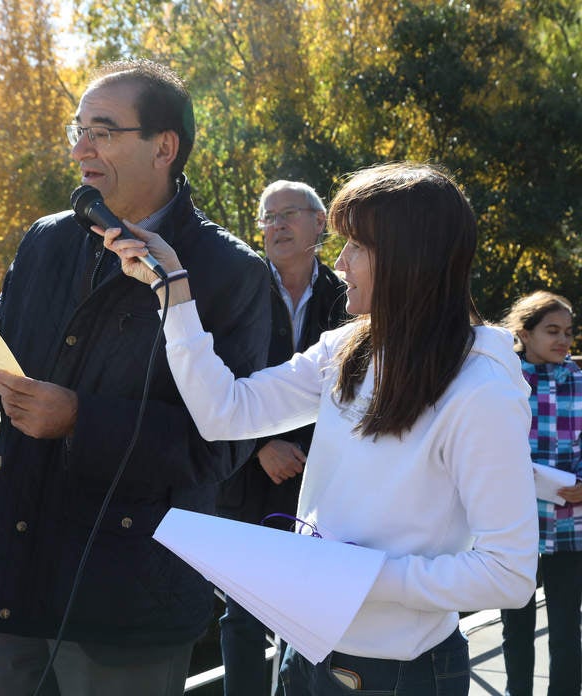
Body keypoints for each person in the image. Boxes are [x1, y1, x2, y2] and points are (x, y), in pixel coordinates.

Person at [0, 59, 271, 696]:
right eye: (76, 129)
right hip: (13, 581)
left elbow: (222, 446)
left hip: (129, 601)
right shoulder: (47, 241)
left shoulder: (230, 273)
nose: (80, 148)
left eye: (102, 131)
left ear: (164, 147)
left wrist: (80, 419)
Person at [99, 161, 539, 696]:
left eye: (356, 246)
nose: (339, 261)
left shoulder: (482, 389)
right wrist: (174, 291)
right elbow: (224, 415)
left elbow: (509, 576)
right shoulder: (346, 348)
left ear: (409, 259)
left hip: (398, 673)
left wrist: (353, 575)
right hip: (305, 649)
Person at [217, 180, 346, 696]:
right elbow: (209, 381)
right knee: (243, 614)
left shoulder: (351, 293)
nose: (275, 225)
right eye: (267, 217)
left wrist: (312, 454)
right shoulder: (236, 290)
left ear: (320, 222)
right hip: (246, 476)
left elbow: (360, 389)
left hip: (325, 481)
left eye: (288, 213)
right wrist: (258, 448)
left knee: (314, 613)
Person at [499, 290, 582, 696]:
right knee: (516, 629)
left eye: (568, 332)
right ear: (524, 333)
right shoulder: (500, 382)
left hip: (570, 527)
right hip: (513, 526)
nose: (563, 340)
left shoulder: (581, 382)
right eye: (552, 331)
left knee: (568, 628)